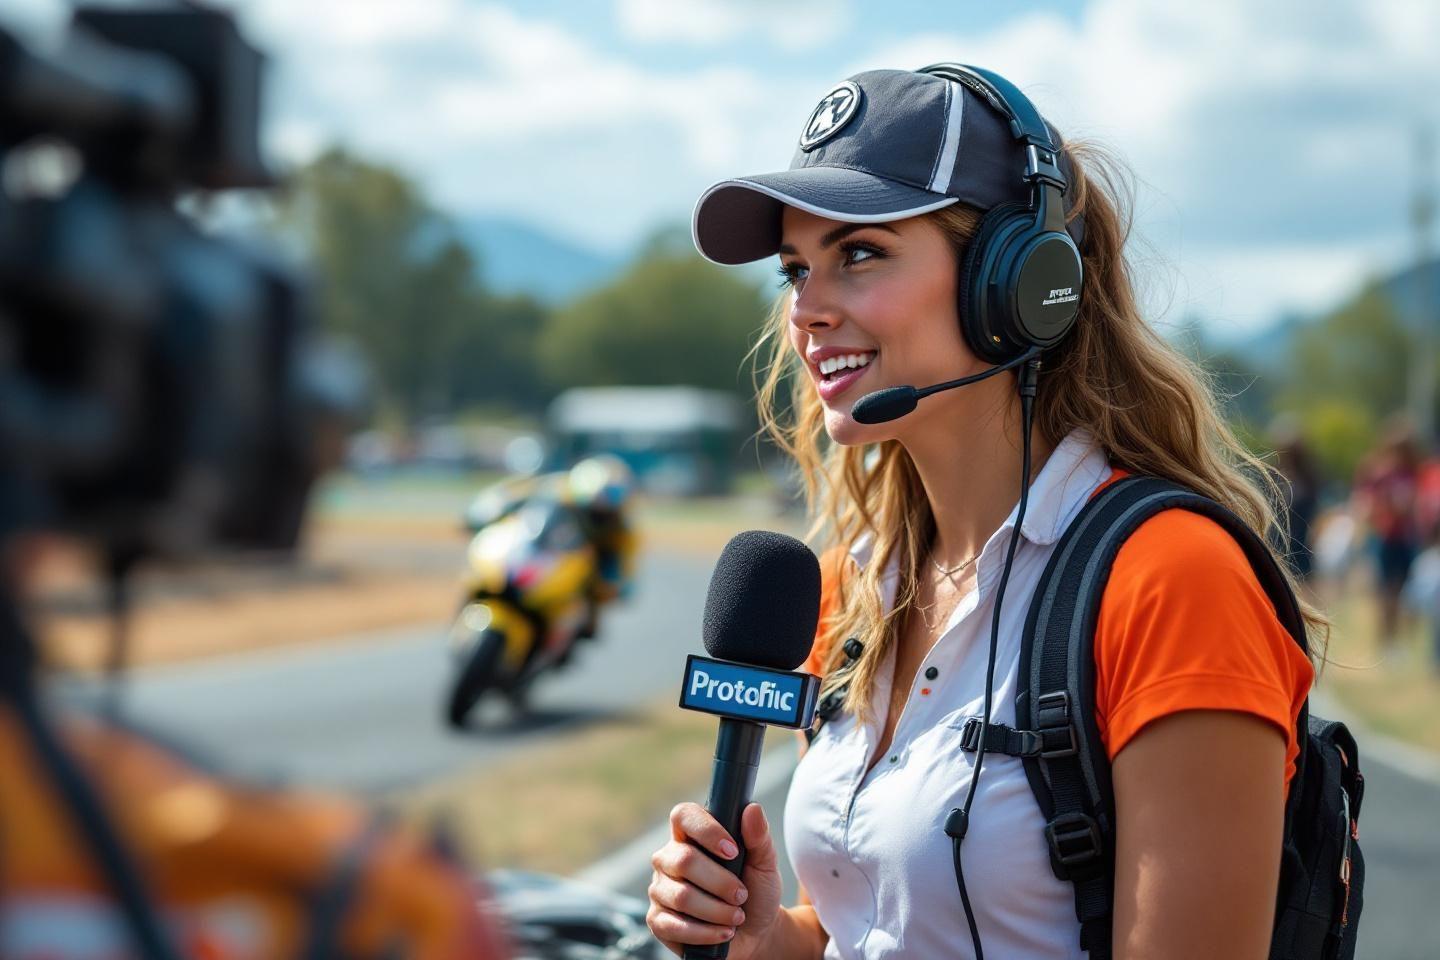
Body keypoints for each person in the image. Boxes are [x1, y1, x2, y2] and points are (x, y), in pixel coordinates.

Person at [646, 65, 1323, 959]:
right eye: (796, 271)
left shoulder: (1173, 583)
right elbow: (873, 933)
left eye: (859, 254)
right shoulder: (856, 585)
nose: (807, 308)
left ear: (1016, 284)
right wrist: (767, 937)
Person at [1351, 417, 1423, 658]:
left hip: (1406, 537)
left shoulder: (1412, 473)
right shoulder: (1380, 473)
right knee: (1385, 591)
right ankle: (1385, 641)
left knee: (1403, 591)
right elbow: (1366, 502)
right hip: (1385, 536)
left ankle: (1397, 641)